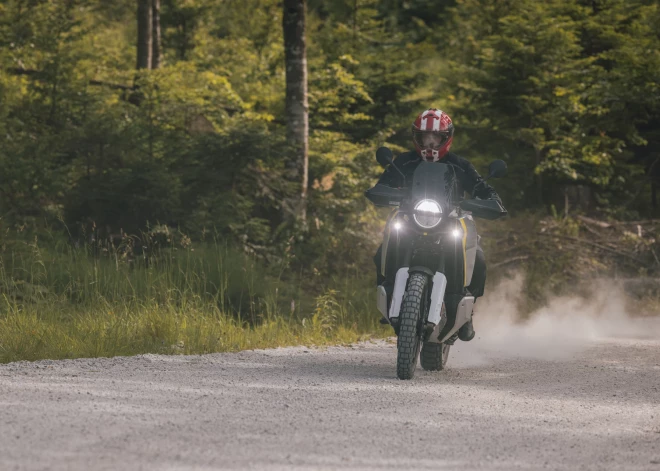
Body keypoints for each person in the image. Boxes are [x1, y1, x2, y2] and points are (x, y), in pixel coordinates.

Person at [373, 108, 502, 341]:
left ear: (446, 138)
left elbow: (484, 189)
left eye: (435, 137)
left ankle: (468, 313)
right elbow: (383, 183)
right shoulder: (403, 162)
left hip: (451, 220)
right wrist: (380, 191)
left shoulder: (460, 165)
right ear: (417, 138)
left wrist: (490, 200)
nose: (429, 143)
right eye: (424, 137)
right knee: (382, 250)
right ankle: (390, 294)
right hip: (411, 220)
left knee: (479, 260)